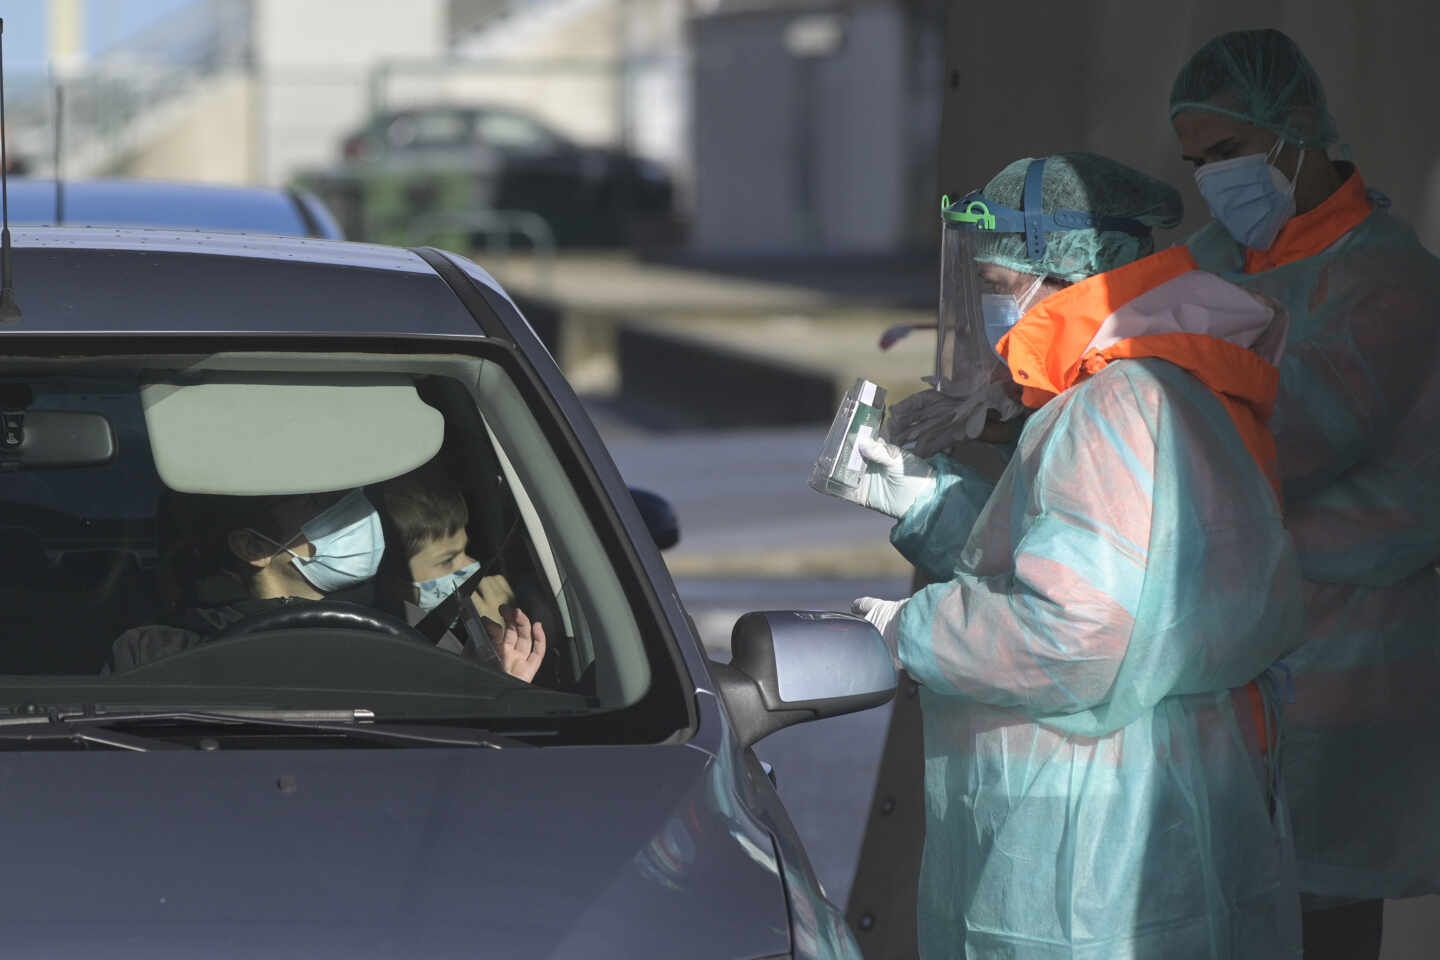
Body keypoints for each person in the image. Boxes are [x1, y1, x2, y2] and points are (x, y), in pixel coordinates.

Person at [849, 152, 1304, 958]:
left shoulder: (1107, 409)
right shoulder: (1163, 389)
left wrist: (908, 630)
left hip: (1088, 849)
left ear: (1074, 268)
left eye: (996, 284)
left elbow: (1078, 632)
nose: (987, 308)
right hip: (1163, 807)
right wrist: (924, 498)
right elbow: (1117, 579)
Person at [1169, 29, 1440, 958]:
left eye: (1228, 153)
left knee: (1322, 921)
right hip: (1233, 651)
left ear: (1295, 130)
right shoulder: (1209, 256)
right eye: (1197, 160)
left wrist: (1147, 409)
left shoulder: (1387, 278)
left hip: (1346, 659)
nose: (1212, 179)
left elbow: (1284, 436)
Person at [381, 465, 545, 684]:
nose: (472, 566)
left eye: (466, 551)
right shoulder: (392, 653)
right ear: (394, 579)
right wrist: (488, 652)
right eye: (447, 560)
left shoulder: (443, 638)